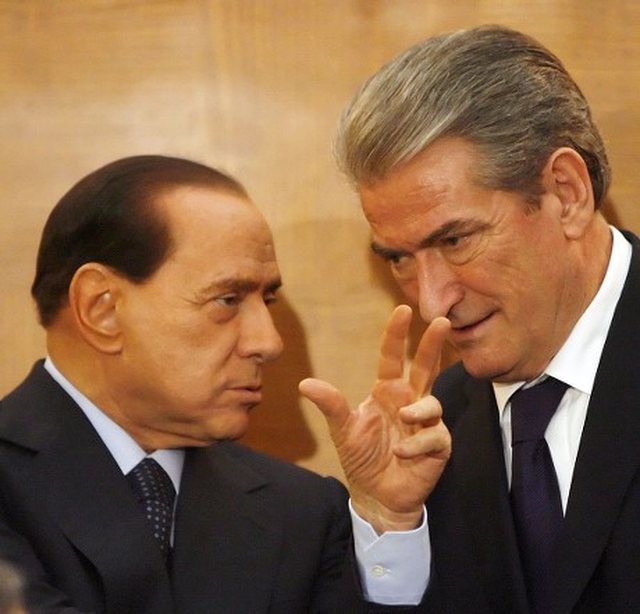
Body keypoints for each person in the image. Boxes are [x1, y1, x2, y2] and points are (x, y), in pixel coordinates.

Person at [300, 24, 640, 613]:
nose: (431, 303)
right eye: (400, 259)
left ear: (566, 193)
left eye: (455, 240)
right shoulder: (433, 425)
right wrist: (392, 524)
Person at [0, 155, 365, 613]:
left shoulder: (304, 509)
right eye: (227, 300)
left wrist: (390, 518)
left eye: (267, 300)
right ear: (101, 309)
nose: (269, 343)